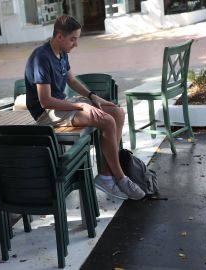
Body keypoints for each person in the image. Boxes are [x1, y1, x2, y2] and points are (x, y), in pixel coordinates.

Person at [24, 15, 145, 200]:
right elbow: (45, 101)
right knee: (106, 120)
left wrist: (91, 96)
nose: (76, 44)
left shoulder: (62, 53)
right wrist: (79, 105)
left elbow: (71, 80)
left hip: (62, 105)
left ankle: (105, 176)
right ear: (59, 37)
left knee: (117, 113)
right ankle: (120, 177)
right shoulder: (41, 57)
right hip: (46, 114)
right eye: (73, 39)